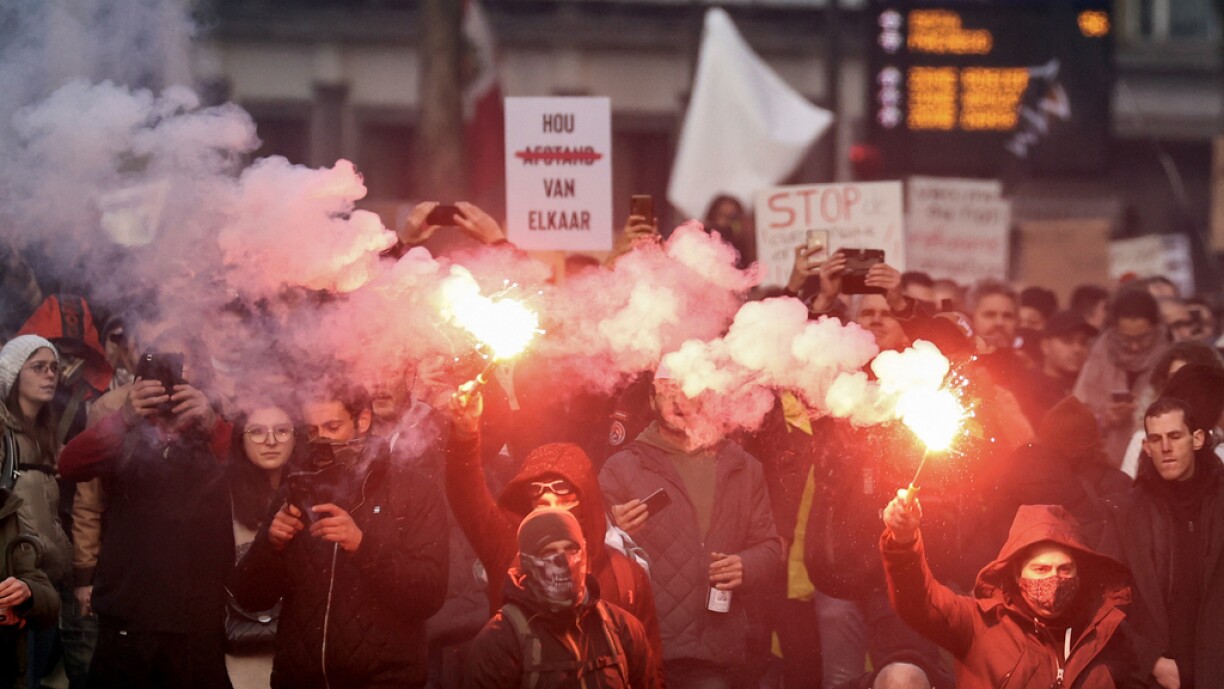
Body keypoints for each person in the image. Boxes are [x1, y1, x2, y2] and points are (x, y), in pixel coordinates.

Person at [231, 380, 449, 689]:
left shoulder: (413, 491)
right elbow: (250, 597)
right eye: (314, 431)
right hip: (299, 680)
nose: (323, 441)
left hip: (385, 681)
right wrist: (271, 544)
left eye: (333, 427)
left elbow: (429, 594)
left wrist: (362, 546)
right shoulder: (297, 489)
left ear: (362, 421)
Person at [58, 328, 234, 688]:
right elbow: (70, 466)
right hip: (129, 610)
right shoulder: (124, 421)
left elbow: (247, 479)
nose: (174, 379)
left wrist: (212, 423)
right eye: (164, 368)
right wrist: (125, 417)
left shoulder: (216, 422)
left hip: (196, 614)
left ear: (201, 372)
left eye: (182, 367)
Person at [445, 387, 664, 663]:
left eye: (562, 489)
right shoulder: (509, 553)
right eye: (538, 491)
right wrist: (465, 433)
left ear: (585, 498)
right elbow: (467, 497)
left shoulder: (624, 574)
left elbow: (648, 664)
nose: (549, 498)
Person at [600, 371, 783, 689]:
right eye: (667, 387)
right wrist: (612, 529)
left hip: (714, 651)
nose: (678, 397)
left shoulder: (743, 467)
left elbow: (769, 547)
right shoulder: (621, 467)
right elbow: (588, 553)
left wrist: (746, 565)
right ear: (652, 398)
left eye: (688, 385)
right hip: (641, 642)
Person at [881, 500, 1144, 688]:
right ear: (1017, 574)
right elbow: (919, 601)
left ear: (1079, 572)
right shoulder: (979, 623)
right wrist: (904, 541)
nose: (1054, 579)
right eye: (1040, 569)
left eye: (1064, 569)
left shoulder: (1105, 632)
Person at [466, 508, 661, 689]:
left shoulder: (621, 628)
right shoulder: (500, 640)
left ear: (584, 552)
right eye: (548, 551)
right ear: (526, 562)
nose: (563, 561)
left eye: (571, 549)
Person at [1114, 397, 1224, 689]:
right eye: (1156, 439)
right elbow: (1107, 599)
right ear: (1146, 447)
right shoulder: (1129, 510)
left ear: (1197, 439)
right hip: (1158, 677)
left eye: (1175, 436)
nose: (1165, 448)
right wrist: (1151, 660)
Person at [225, 405, 297, 689]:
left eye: (281, 430)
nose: (270, 441)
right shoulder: (221, 498)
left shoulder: (314, 491)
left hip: (297, 646)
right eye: (256, 432)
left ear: (296, 437)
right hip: (242, 647)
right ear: (240, 440)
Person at [1074, 287, 1169, 467]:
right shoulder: (1100, 355)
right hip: (1105, 462)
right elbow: (1077, 416)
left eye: (1142, 339)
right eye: (1126, 339)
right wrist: (1105, 419)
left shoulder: (1168, 356)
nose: (1134, 347)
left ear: (1155, 328)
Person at [1015, 310, 1097, 426]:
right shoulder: (1027, 386)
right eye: (1067, 341)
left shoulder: (1089, 387)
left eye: (1083, 342)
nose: (1077, 349)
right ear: (1045, 346)